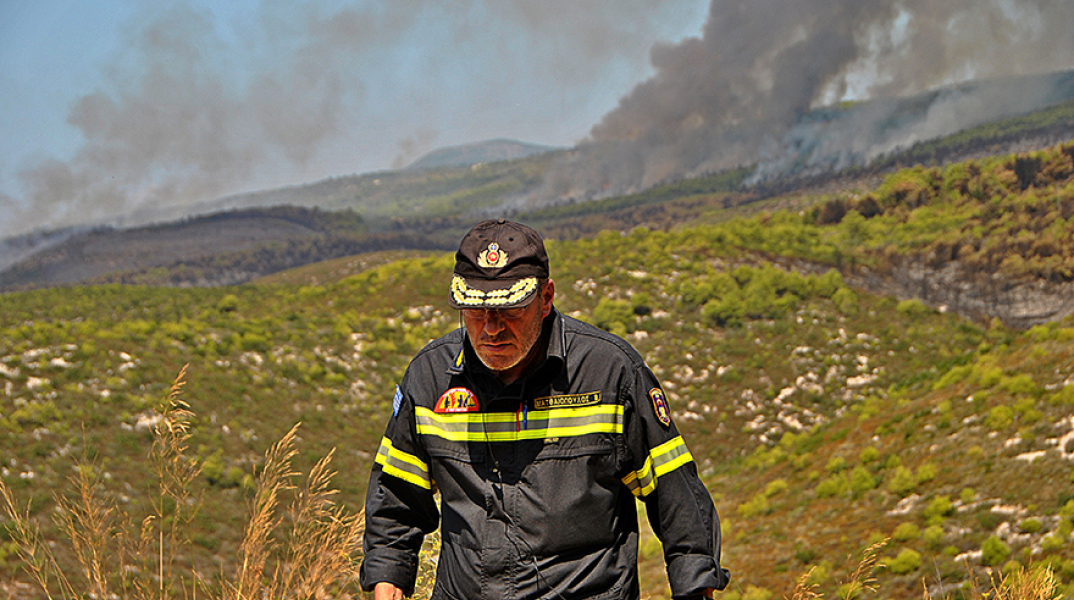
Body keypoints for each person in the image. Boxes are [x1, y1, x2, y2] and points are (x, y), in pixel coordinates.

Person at [360, 219, 730, 600]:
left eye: (510, 309)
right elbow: (395, 501)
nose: (491, 328)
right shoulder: (429, 378)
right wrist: (388, 580)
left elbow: (675, 493)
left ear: (546, 297)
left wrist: (694, 583)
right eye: (474, 310)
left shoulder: (610, 372)